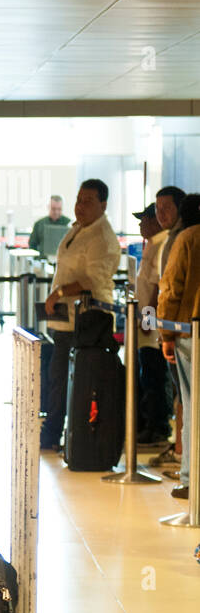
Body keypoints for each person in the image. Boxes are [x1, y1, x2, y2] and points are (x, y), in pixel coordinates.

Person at [40, 178, 122, 451]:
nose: (80, 206)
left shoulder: (102, 236)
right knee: (58, 376)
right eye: (78, 200)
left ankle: (59, 433)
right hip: (66, 319)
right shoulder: (78, 228)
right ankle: (54, 431)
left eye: (88, 201)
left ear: (103, 204)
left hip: (87, 319)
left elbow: (91, 280)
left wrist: (60, 293)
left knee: (67, 379)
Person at [158, 193, 200, 500]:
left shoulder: (187, 239)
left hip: (189, 334)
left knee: (191, 406)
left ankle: (190, 479)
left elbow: (171, 288)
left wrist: (166, 335)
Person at [133, 203, 172, 445]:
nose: (141, 224)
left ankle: (157, 426)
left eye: (145, 219)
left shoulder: (162, 244)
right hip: (147, 323)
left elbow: (158, 287)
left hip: (153, 325)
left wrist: (148, 319)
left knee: (154, 376)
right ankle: (150, 423)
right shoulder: (153, 244)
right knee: (147, 374)